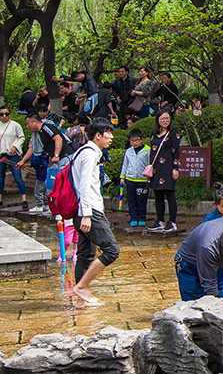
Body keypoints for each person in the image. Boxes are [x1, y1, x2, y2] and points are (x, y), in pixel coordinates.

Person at [69, 119, 119, 308]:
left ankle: (82, 300)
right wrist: (87, 215)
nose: (112, 137)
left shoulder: (83, 151)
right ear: (98, 135)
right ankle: (82, 287)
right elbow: (83, 186)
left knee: (85, 254)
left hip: (81, 210)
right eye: (109, 133)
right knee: (112, 250)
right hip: (89, 210)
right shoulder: (89, 154)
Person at [17, 111, 67, 215]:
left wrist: (56, 155)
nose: (27, 127)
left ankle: (59, 208)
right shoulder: (38, 134)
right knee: (50, 184)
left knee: (56, 184)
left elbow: (58, 138)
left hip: (64, 158)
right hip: (56, 161)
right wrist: (22, 161)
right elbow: (33, 149)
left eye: (28, 124)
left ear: (35, 122)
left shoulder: (46, 127)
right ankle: (53, 208)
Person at [147, 111, 181, 234]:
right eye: (162, 118)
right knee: (158, 196)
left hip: (168, 167)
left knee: (170, 195)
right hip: (156, 168)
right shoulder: (154, 134)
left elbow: (176, 151)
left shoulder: (173, 134)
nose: (165, 121)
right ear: (157, 120)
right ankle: (160, 220)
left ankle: (172, 221)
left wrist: (175, 168)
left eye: (167, 118)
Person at [0, 106, 27, 208]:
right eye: (2, 114)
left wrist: (15, 146)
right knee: (0, 177)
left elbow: (21, 137)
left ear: (9, 114)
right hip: (0, 155)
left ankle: (24, 199)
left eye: (6, 114)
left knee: (17, 177)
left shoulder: (15, 125)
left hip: (12, 155)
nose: (4, 116)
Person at [120, 132, 150, 226]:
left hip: (143, 179)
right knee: (131, 200)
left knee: (141, 200)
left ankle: (142, 218)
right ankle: (133, 217)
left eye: (136, 140)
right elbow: (125, 164)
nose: (134, 142)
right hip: (130, 179)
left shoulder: (147, 150)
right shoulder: (129, 151)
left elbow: (150, 164)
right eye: (132, 140)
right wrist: (122, 177)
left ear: (141, 139)